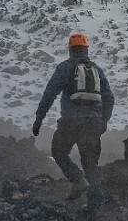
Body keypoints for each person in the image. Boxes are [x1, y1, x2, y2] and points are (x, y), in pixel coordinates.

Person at [33, 32, 115, 212]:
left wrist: (39, 118)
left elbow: (50, 93)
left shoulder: (65, 67)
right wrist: (103, 121)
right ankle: (94, 204)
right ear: (86, 50)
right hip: (93, 123)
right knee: (90, 162)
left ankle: (78, 181)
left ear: (70, 50)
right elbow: (109, 98)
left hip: (70, 122)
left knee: (59, 152)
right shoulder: (97, 70)